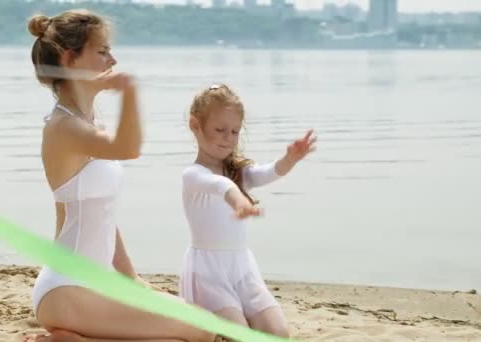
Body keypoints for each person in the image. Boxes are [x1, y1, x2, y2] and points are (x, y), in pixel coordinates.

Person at [24, 9, 215, 342]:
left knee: (203, 323)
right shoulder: (62, 128)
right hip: (69, 289)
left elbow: (103, 213)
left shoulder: (83, 121)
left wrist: (131, 279)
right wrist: (129, 92)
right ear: (70, 58)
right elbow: (128, 147)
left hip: (95, 285)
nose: (112, 58)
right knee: (200, 331)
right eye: (102, 51)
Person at [179, 84, 317, 338]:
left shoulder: (236, 173)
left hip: (242, 268)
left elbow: (267, 173)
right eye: (219, 130)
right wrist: (239, 201)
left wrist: (290, 159)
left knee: (278, 333)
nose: (228, 138)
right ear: (195, 126)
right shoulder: (193, 175)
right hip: (208, 272)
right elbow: (219, 186)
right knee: (239, 333)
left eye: (234, 131)